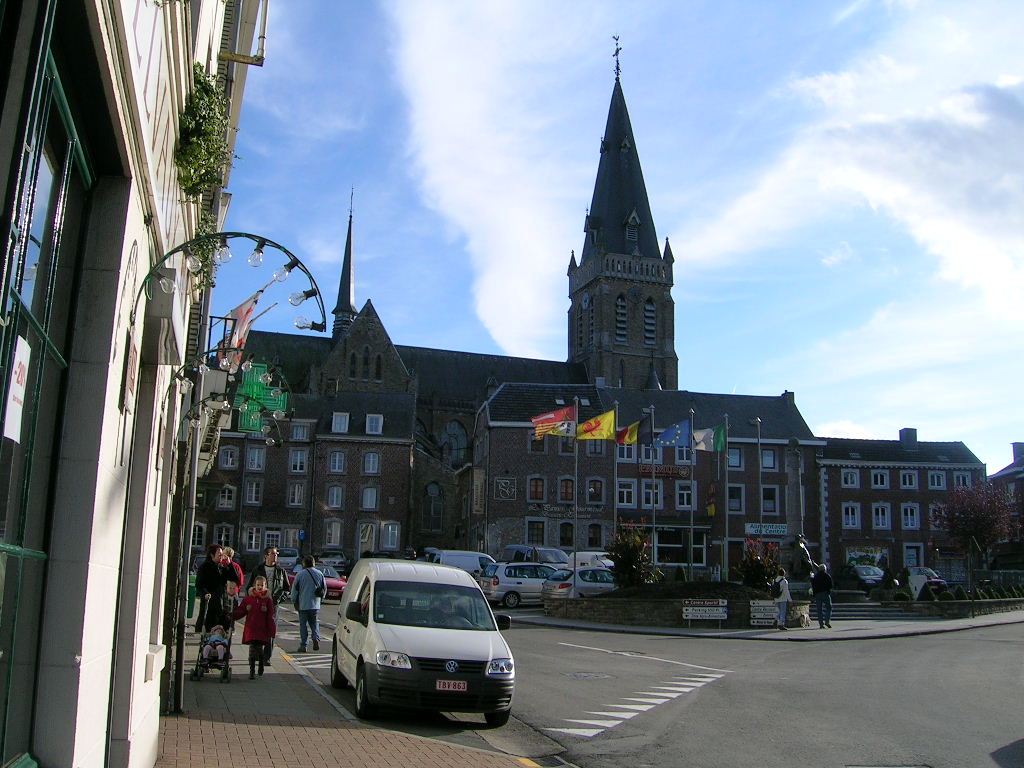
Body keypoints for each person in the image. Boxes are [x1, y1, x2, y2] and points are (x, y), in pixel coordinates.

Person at [243, 546, 289, 665]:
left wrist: (278, 599)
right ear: (266, 556)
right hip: (258, 605)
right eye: (273, 554)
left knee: (270, 630)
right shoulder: (257, 569)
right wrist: (254, 596)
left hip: (273, 605)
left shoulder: (281, 571)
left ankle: (266, 657)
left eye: (276, 554)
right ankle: (255, 654)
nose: (275, 556)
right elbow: (248, 588)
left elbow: (286, 589)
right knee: (256, 630)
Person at [231, 576, 276, 679]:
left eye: (262, 585)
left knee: (259, 649)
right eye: (258, 585)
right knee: (252, 650)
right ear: (254, 585)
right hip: (251, 628)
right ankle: (252, 670)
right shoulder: (248, 599)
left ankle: (260, 663)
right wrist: (232, 615)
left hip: (262, 629)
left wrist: (270, 628)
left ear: (265, 586)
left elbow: (271, 615)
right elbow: (241, 610)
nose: (260, 587)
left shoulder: (268, 600)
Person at [195, 544, 235, 632]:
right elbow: (199, 585)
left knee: (222, 632)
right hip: (210, 604)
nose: (221, 556)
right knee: (208, 630)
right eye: (219, 554)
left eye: (222, 554)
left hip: (222, 604)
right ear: (212, 555)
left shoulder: (222, 567)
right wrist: (205, 593)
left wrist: (230, 564)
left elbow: (234, 578)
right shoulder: (204, 568)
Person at [291, 555, 325, 652]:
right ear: (314, 563)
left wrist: (294, 600)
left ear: (304, 564)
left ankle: (304, 645)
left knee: (303, 625)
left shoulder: (300, 575)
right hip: (315, 604)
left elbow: (294, 590)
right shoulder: (320, 574)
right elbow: (324, 588)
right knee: (314, 623)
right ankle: (315, 637)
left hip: (303, 604)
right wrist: (321, 600)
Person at [811, 563, 834, 629]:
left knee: (819, 610)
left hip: (818, 594)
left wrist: (814, 594)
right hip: (825, 593)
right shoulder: (827, 576)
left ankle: (821, 624)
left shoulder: (816, 576)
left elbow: (813, 586)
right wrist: (828, 591)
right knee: (829, 608)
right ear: (825, 569)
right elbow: (831, 585)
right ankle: (827, 621)